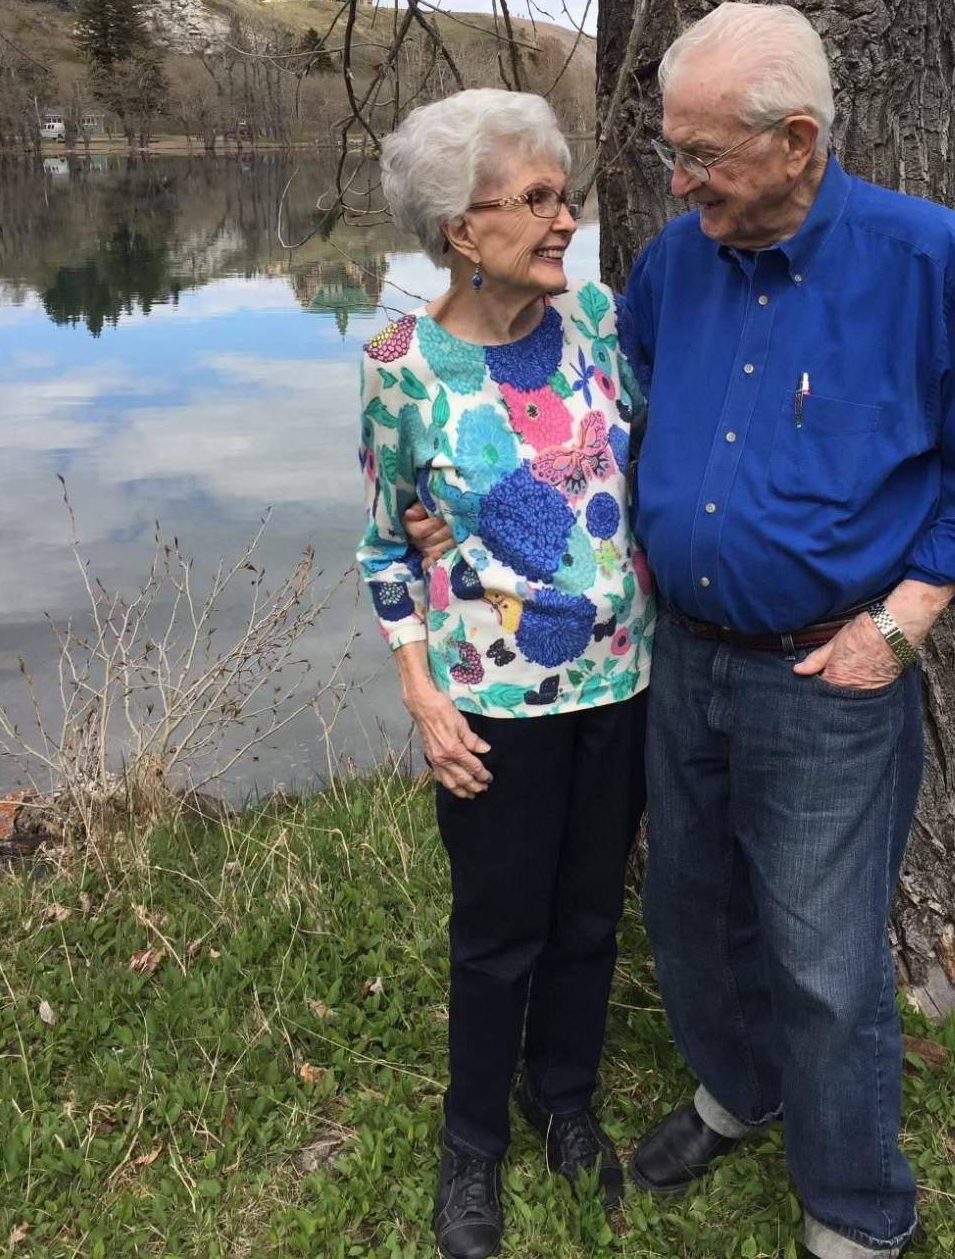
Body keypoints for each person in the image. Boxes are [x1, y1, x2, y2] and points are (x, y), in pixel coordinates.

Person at [620, 3, 955, 1259]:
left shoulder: (920, 258)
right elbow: (613, 413)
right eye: (670, 151)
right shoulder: (672, 262)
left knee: (821, 953)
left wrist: (900, 626)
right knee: (691, 908)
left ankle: (857, 1209)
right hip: (685, 653)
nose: (680, 180)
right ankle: (740, 1090)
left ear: (796, 141)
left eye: (703, 155)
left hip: (826, 676)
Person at [355, 88, 653, 1259]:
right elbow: (385, 546)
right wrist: (422, 692)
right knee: (497, 929)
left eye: (562, 195)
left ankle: (562, 1097)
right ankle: (472, 1139)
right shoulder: (399, 366)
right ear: (458, 228)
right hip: (489, 702)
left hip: (620, 684)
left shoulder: (599, 321)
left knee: (587, 914)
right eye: (533, 199)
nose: (562, 219)